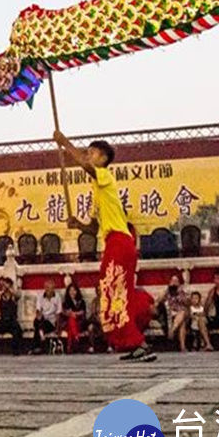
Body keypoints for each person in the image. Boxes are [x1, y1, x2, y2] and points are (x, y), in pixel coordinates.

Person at [55, 131, 156, 362]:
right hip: (114, 243)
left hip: (120, 243)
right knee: (114, 294)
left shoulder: (105, 177)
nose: (87, 156)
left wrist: (64, 144)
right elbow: (93, 228)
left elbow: (84, 166)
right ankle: (133, 342)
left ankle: (138, 342)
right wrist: (78, 224)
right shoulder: (98, 192)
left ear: (103, 158)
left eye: (91, 153)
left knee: (113, 292)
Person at [157, 274, 190, 350]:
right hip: (170, 315)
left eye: (176, 281)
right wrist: (164, 293)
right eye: (172, 281)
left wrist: (180, 294)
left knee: (182, 312)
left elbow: (188, 304)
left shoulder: (183, 291)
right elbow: (158, 302)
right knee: (182, 323)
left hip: (183, 313)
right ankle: (182, 346)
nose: (174, 283)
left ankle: (171, 331)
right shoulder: (166, 291)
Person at [32, 279, 62, 353]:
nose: (50, 290)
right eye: (48, 288)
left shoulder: (57, 297)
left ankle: (37, 346)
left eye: (52, 288)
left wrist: (57, 328)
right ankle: (40, 337)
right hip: (42, 320)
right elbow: (38, 310)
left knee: (38, 326)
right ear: (45, 288)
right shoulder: (40, 296)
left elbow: (58, 313)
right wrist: (39, 317)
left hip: (51, 322)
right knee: (38, 321)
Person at [61, 282, 92, 353]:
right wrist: (71, 314)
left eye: (74, 290)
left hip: (80, 322)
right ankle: (76, 338)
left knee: (71, 326)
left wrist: (75, 313)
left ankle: (70, 346)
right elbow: (65, 312)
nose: (72, 292)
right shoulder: (66, 302)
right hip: (68, 322)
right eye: (70, 290)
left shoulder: (81, 301)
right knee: (71, 320)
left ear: (77, 291)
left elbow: (83, 311)